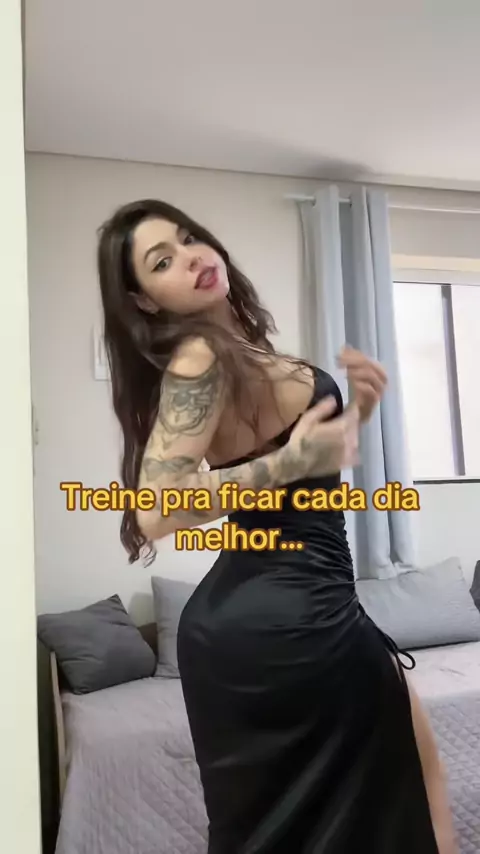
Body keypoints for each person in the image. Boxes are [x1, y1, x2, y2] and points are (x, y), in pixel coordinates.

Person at [97, 198, 457, 854]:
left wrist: (348, 420)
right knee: (404, 789)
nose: (192, 258)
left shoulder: (234, 351)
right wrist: (292, 459)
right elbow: (157, 510)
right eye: (162, 262)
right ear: (144, 301)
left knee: (387, 786)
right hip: (288, 622)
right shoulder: (200, 359)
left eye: (188, 238)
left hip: (285, 610)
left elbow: (298, 474)